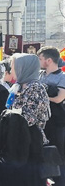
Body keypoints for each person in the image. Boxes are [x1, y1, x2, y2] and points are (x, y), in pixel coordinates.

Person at [0, 53, 50, 186]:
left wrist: (9, 115)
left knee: (29, 178)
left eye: (14, 65)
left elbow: (29, 118)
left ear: (24, 67)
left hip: (30, 139)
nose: (12, 69)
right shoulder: (18, 86)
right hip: (16, 137)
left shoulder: (35, 87)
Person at [38, 46, 65, 185]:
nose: (39, 61)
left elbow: (60, 98)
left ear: (48, 60)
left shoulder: (62, 77)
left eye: (40, 58)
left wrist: (41, 97)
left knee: (59, 152)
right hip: (42, 121)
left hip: (57, 121)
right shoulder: (40, 75)